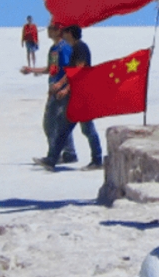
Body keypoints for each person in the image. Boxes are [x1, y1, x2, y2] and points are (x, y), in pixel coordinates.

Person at [20, 22, 75, 170]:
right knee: (58, 123)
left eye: (51, 29)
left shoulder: (64, 49)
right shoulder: (54, 49)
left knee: (51, 123)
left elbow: (70, 70)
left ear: (58, 31)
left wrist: (63, 87)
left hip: (61, 91)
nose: (47, 31)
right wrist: (32, 70)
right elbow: (50, 69)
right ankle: (68, 153)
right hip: (54, 90)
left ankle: (54, 155)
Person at [63, 26, 104, 168]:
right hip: (78, 92)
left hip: (83, 92)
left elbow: (79, 70)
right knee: (72, 125)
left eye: (65, 32)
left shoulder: (80, 47)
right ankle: (61, 154)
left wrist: (67, 88)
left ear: (70, 33)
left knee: (87, 127)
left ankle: (97, 159)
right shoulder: (76, 47)